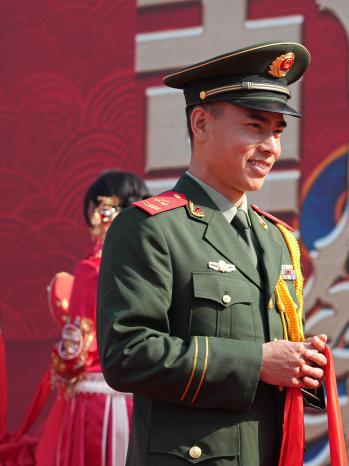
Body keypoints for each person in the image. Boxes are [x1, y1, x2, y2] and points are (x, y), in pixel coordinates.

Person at [96, 41, 329, 466]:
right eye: (255, 127)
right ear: (201, 123)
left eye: (277, 132)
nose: (271, 147)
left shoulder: (277, 239)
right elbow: (126, 354)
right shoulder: (151, 228)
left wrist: (302, 363)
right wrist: (257, 362)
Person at [34, 170, 149, 466]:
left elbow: (76, 351)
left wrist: (64, 365)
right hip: (143, 398)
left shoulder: (91, 270)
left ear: (102, 212)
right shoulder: (151, 269)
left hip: (98, 402)